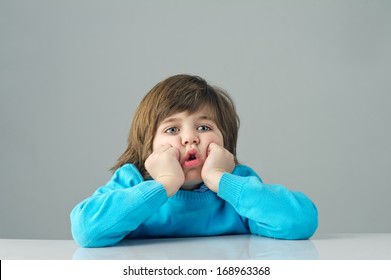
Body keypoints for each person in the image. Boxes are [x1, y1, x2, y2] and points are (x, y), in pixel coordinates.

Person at [70, 74, 318, 248]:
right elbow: (86, 231)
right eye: (172, 130)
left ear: (225, 142)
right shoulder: (132, 181)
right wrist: (165, 184)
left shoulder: (235, 184)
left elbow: (302, 221)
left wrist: (220, 180)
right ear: (149, 147)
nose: (190, 138)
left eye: (203, 126)